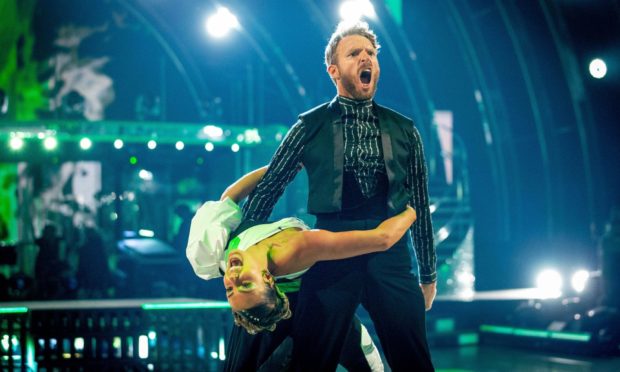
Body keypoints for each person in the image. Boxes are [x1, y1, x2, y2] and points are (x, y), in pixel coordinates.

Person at [242, 21, 437, 371]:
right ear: (334, 70)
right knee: (311, 360)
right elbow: (271, 186)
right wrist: (243, 249)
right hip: (330, 250)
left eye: (372, 54)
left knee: (414, 362)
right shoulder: (309, 125)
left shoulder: (405, 129)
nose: (367, 58)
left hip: (391, 258)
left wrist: (429, 275)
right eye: (355, 53)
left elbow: (419, 202)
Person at [187, 165, 416, 371]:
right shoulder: (301, 247)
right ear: (267, 278)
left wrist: (286, 166)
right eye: (245, 284)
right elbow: (382, 239)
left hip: (276, 308)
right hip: (308, 303)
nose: (233, 277)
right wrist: (414, 209)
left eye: (230, 290)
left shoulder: (220, 251)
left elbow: (230, 197)